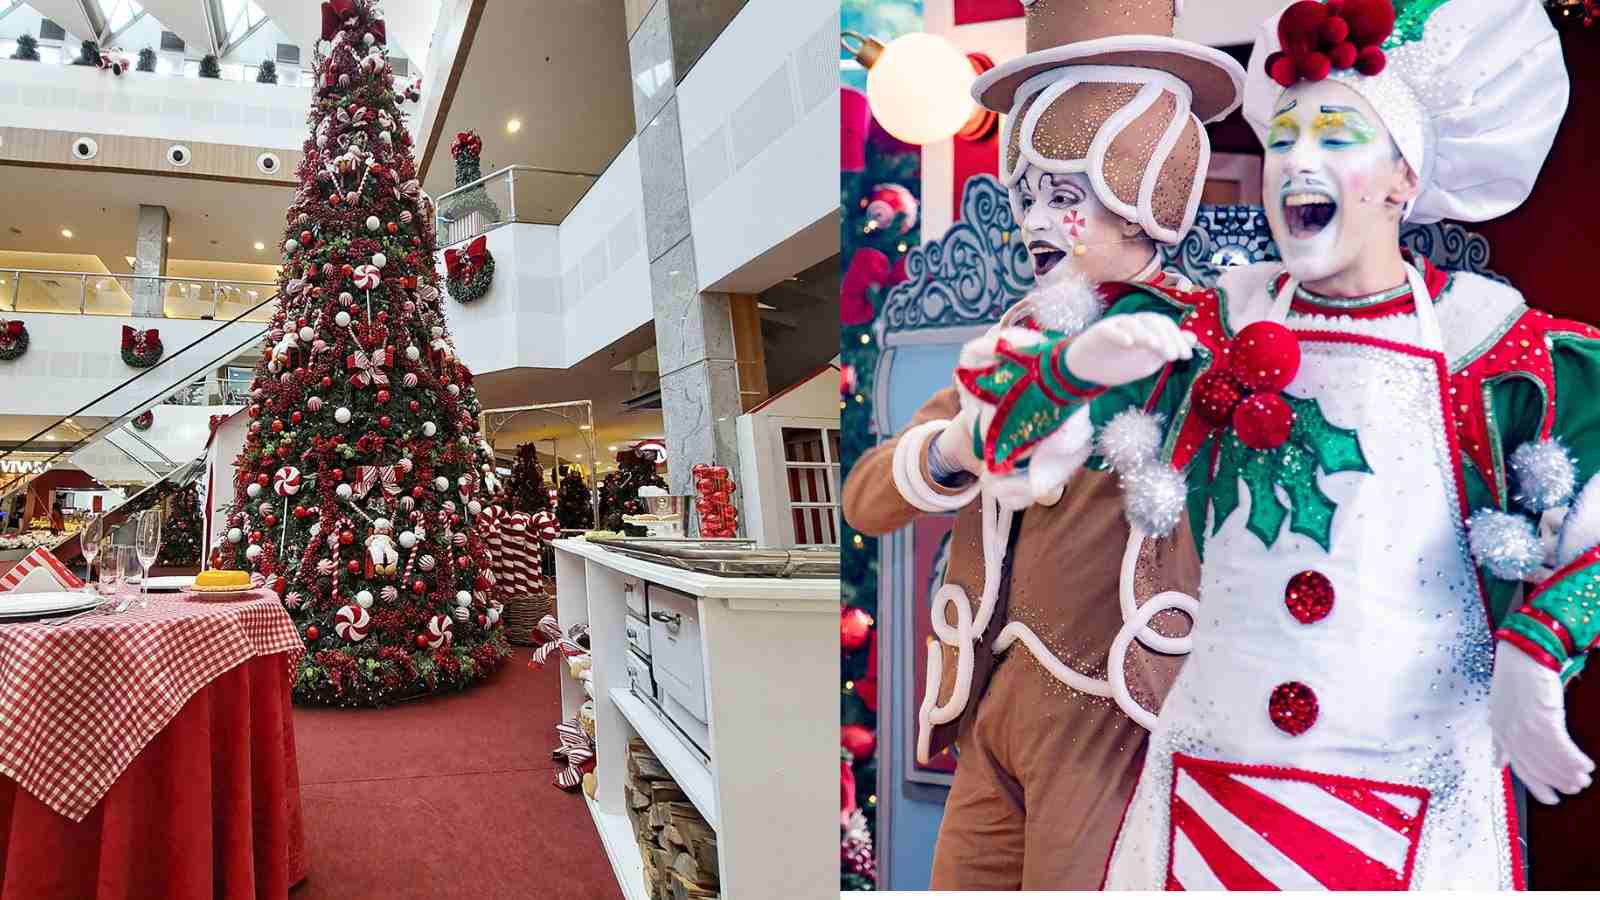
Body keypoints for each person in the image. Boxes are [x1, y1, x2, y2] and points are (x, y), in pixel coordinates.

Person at [957, 0, 1594, 888]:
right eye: (1284, 136)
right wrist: (1076, 364)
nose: (1295, 159)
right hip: (1210, 801)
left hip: (1410, 802)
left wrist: (1539, 647)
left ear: (1404, 179)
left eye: (1335, 136)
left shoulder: (1492, 351)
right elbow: (1005, 434)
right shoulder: (1214, 326)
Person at [842, 1, 1244, 888]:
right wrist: (958, 442)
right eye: (1028, 195)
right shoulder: (1009, 350)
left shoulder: (1195, 348)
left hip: (1112, 714)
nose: (1033, 220)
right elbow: (868, 499)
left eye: (1064, 198)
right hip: (991, 701)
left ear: (1144, 200)